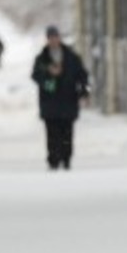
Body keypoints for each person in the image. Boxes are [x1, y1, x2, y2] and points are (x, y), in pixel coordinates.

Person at [32, 26, 91, 170]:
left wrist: (84, 93)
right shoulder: (42, 58)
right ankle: (53, 159)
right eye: (50, 37)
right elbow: (36, 75)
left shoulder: (71, 57)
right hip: (49, 103)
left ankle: (66, 159)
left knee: (67, 133)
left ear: (59, 38)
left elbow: (82, 76)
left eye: (55, 37)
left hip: (68, 101)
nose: (53, 40)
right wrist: (48, 77)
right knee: (52, 133)